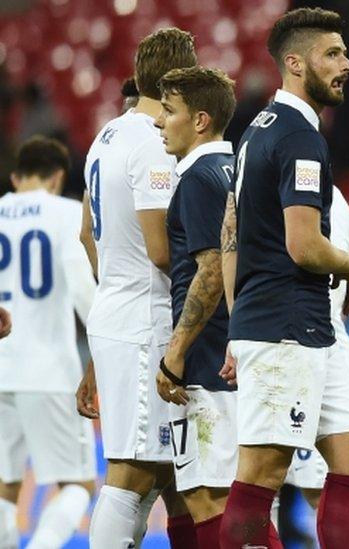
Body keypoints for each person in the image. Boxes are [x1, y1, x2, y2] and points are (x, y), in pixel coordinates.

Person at [217, 8, 349, 548]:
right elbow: (303, 244)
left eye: (344, 52)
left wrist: (238, 325)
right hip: (287, 324)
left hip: (298, 325)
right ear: (294, 62)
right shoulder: (299, 136)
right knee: (261, 474)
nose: (346, 64)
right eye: (332, 53)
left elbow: (231, 237)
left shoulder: (258, 128)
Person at [81, 27, 198, 548]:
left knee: (173, 471)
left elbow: (87, 234)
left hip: (116, 310)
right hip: (145, 320)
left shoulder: (106, 135)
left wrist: (114, 281)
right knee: (132, 471)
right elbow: (159, 249)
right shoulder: (153, 143)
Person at [151, 65, 239, 546]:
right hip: (229, 348)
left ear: (200, 120)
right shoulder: (233, 170)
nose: (160, 122)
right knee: (231, 499)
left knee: (210, 498)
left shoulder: (200, 179)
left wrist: (176, 353)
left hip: (207, 356)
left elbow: (209, 271)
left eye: (169, 111)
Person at [0, 136, 96, 549]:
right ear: (58, 177)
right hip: (51, 371)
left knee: (6, 485)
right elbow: (83, 292)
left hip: (2, 369)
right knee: (79, 485)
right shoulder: (66, 214)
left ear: (15, 177)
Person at [281, 183, 349, 514]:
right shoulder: (334, 196)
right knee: (263, 478)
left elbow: (308, 256)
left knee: (321, 484)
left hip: (309, 348)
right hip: (304, 345)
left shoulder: (320, 196)